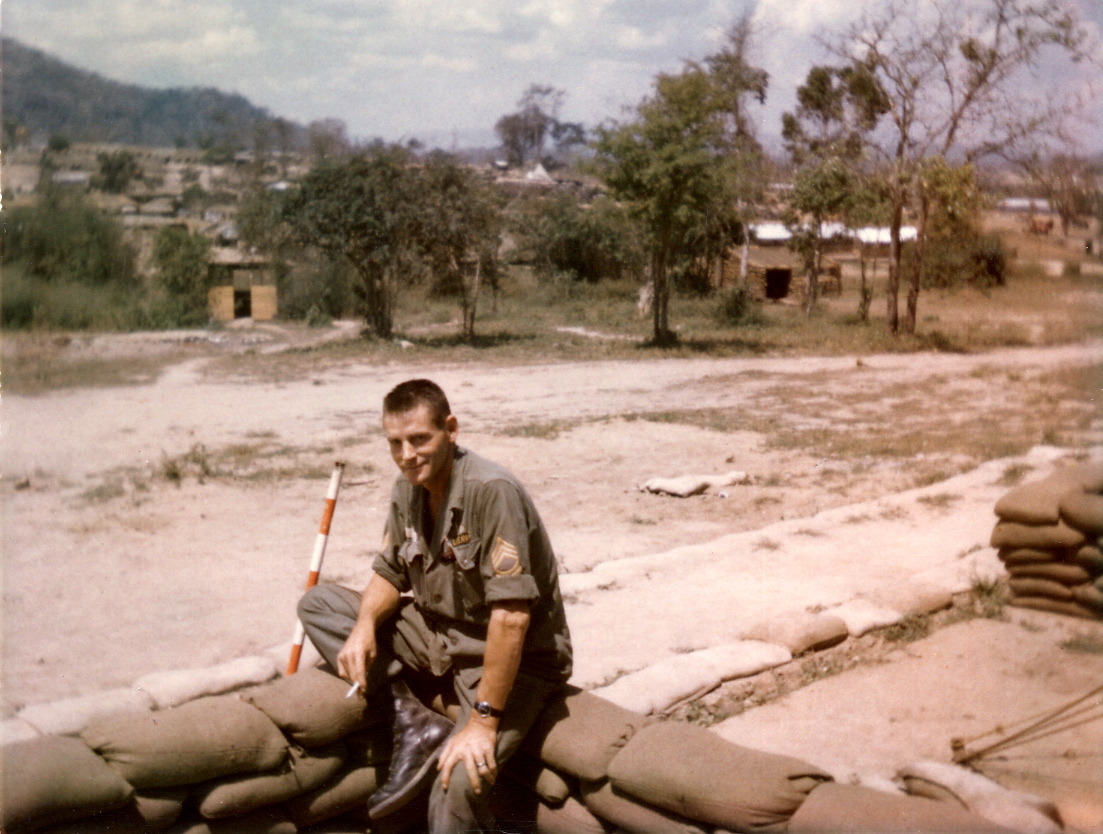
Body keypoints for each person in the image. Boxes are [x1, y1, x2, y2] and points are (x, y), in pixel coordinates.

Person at [298, 379, 572, 833]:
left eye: (419, 439)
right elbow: (391, 572)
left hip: (513, 661)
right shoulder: (407, 490)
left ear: (451, 429)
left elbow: (511, 619)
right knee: (320, 603)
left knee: (457, 779)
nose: (408, 455)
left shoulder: (491, 491)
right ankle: (410, 716)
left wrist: (482, 724)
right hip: (440, 638)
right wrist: (364, 625)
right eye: (395, 444)